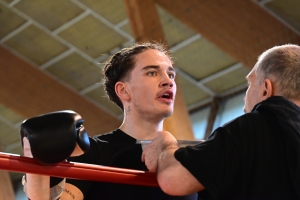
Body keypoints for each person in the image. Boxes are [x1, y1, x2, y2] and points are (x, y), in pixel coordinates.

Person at [22, 42, 198, 200]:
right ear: (123, 90)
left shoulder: (192, 156)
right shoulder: (92, 151)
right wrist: (34, 158)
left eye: (171, 75)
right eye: (152, 73)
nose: (168, 81)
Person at [142, 44, 300, 199]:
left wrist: (166, 145)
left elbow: (173, 179)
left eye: (250, 84)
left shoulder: (253, 128)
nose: (246, 97)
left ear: (266, 88)